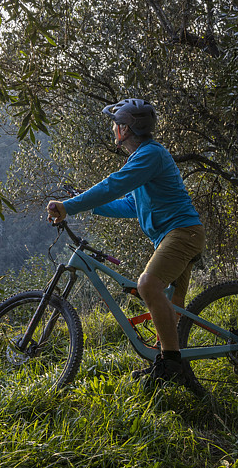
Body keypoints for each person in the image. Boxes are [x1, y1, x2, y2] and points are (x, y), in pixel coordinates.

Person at [47, 98, 205, 389]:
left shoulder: (150, 154)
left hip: (182, 233)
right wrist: (85, 203)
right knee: (170, 308)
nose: (113, 129)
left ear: (124, 129)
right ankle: (167, 364)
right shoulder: (144, 159)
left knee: (148, 285)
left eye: (115, 125)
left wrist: (70, 206)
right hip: (177, 235)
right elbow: (130, 204)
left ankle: (171, 363)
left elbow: (113, 185)